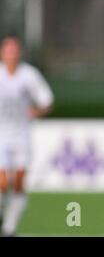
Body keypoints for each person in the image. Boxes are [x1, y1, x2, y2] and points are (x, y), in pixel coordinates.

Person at [0, 37, 54, 236]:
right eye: (8, 50)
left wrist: (36, 112)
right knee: (3, 181)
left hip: (22, 134)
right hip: (1, 134)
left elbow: (47, 101)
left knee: (19, 183)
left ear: (19, 53)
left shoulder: (29, 75)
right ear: (2, 53)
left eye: (14, 50)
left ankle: (9, 228)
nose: (11, 54)